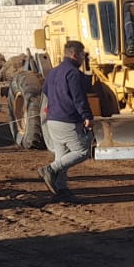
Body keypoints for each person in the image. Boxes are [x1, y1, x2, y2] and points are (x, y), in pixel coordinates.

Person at [39, 40, 94, 202]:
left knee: (62, 154)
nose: (84, 58)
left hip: (52, 120)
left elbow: (46, 93)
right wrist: (87, 117)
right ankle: (49, 169)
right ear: (75, 55)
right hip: (67, 120)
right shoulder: (73, 74)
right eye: (83, 55)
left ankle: (61, 189)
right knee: (82, 151)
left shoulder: (53, 72)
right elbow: (79, 99)